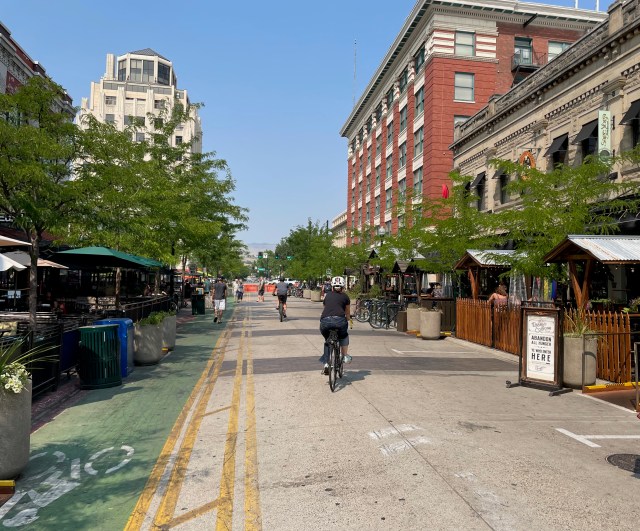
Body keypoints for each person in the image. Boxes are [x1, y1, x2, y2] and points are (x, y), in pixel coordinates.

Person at [319, 276, 352, 375]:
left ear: (332, 286)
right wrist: (349, 319)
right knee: (344, 336)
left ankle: (326, 363)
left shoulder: (327, 295)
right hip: (339, 321)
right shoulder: (345, 297)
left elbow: (325, 307)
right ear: (343, 287)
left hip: (325, 321)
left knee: (328, 340)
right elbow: (347, 312)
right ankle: (345, 356)